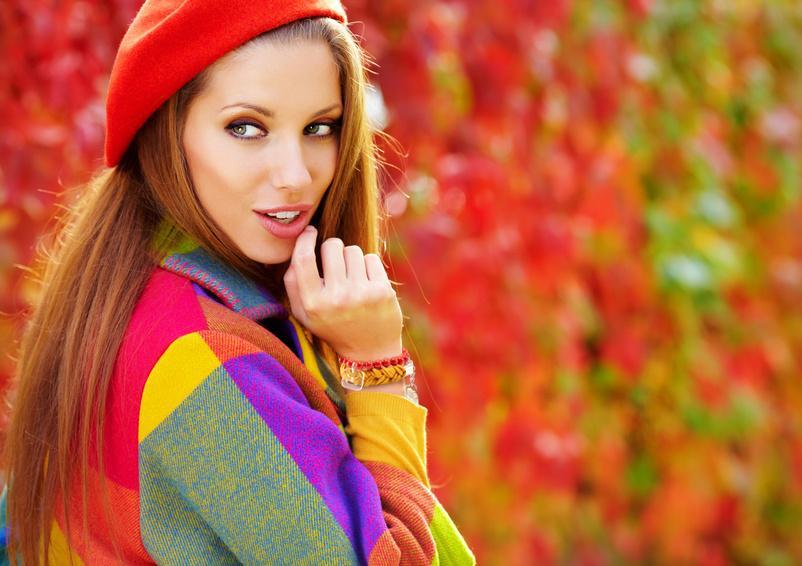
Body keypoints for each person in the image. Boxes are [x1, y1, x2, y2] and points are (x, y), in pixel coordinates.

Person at [0, 1, 475, 564]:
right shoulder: (205, 360)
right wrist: (377, 369)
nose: (296, 174)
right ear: (168, 129)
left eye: (320, 127)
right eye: (246, 128)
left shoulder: (116, 291)